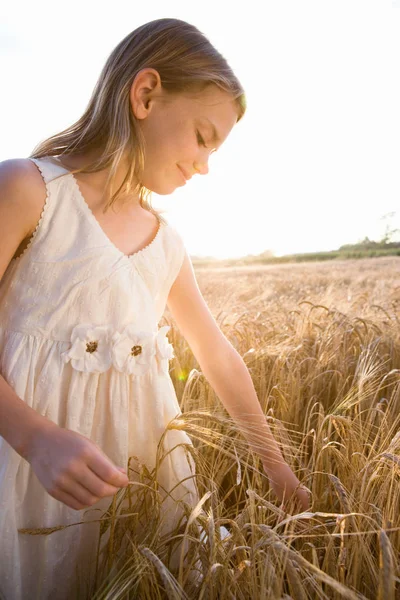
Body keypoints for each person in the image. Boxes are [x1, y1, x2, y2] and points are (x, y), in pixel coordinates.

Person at [0, 17, 310, 599]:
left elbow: (215, 353)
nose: (205, 164)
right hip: (26, 477)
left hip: (142, 477)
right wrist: (36, 438)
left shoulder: (165, 242)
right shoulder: (29, 191)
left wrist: (276, 465)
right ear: (145, 95)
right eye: (202, 136)